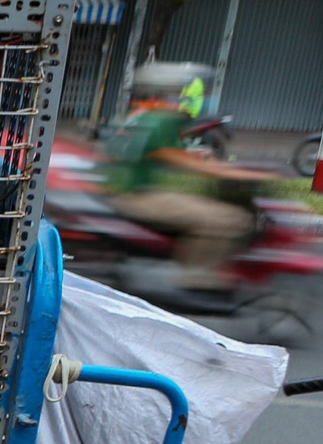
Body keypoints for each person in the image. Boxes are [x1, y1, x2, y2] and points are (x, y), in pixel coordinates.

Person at [104, 70, 271, 289]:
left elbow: (162, 151)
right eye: (177, 94)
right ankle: (197, 277)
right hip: (135, 197)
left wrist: (196, 156)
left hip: (117, 191)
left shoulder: (134, 114)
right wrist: (243, 174)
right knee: (229, 220)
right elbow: (180, 160)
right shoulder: (159, 120)